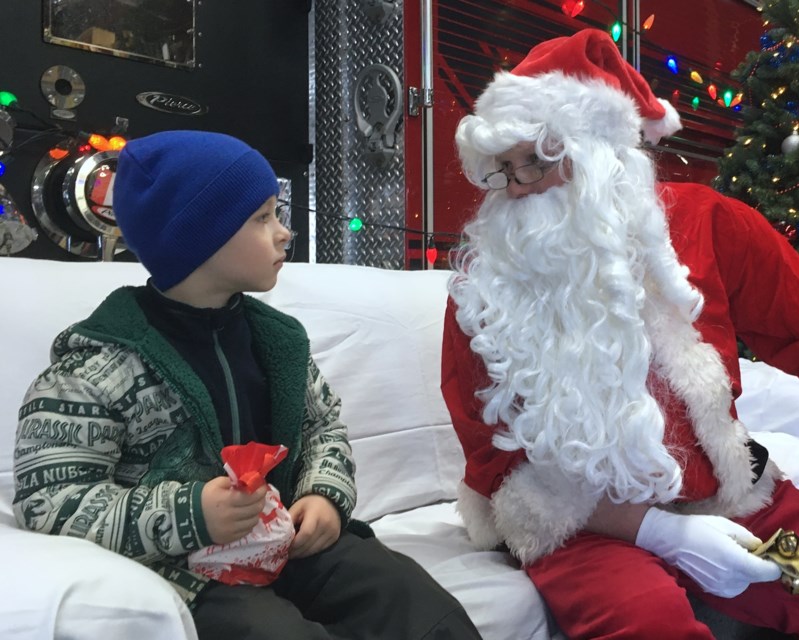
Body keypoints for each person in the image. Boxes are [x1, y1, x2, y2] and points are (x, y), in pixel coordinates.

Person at [440, 28, 799, 639]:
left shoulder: (706, 222)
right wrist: (659, 532)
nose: (520, 186)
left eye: (539, 160)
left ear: (604, 151)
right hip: (585, 530)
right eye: (505, 169)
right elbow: (489, 448)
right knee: (650, 624)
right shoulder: (485, 284)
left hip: (726, 499)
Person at [13, 130, 481, 640]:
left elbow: (324, 428)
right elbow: (50, 501)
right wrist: (191, 513)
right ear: (195, 236)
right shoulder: (99, 362)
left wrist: (323, 495)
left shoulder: (278, 340)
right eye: (262, 218)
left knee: (410, 598)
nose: (284, 233)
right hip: (185, 570)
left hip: (289, 545)